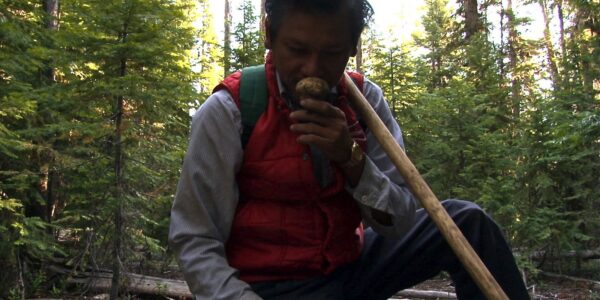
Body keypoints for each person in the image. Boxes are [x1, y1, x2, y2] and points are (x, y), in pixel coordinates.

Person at [168, 0, 530, 299]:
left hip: (350, 266)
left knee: (467, 223)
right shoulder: (230, 111)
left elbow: (401, 220)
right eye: (297, 50)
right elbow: (195, 238)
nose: (312, 68)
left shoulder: (365, 102)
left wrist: (350, 158)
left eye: (331, 53)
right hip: (269, 286)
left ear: (353, 46)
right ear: (269, 35)